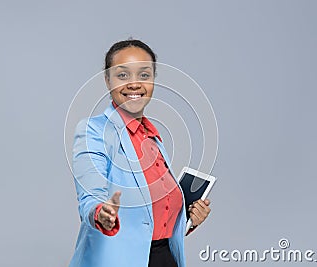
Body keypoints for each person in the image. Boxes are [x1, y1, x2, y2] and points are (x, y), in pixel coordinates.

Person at [69, 39, 211, 267]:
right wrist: (101, 213)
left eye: (144, 75)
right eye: (122, 75)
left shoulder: (152, 138)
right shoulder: (93, 131)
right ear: (107, 80)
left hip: (165, 258)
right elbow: (89, 197)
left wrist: (188, 220)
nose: (134, 84)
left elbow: (149, 219)